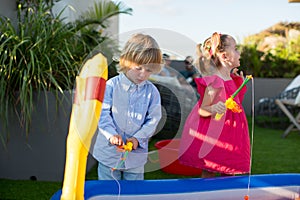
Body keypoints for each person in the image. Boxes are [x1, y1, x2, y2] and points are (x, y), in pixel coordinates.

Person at [179, 32, 250, 178]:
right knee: (210, 169)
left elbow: (236, 104)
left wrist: (240, 83)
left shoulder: (230, 78)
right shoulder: (216, 81)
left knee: (230, 168)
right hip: (216, 135)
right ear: (224, 56)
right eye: (235, 49)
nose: (239, 52)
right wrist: (213, 108)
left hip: (231, 134)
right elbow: (203, 110)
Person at [92, 33, 163, 180]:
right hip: (109, 153)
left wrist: (138, 138)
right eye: (139, 68)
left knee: (134, 191)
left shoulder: (152, 92)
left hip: (135, 156)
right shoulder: (110, 86)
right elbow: (102, 113)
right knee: (109, 191)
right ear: (126, 62)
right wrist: (111, 134)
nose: (143, 74)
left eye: (149, 70)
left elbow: (153, 119)